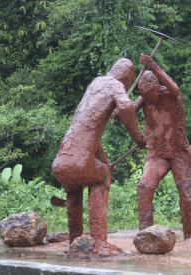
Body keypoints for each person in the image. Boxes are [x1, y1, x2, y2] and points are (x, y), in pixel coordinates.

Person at [52, 58, 145, 256]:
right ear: (128, 75)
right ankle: (99, 242)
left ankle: (75, 242)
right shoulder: (115, 85)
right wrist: (138, 137)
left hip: (61, 162)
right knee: (102, 178)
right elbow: (127, 107)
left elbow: (89, 134)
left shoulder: (96, 83)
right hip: (79, 161)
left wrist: (104, 161)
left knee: (75, 190)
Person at [135, 53, 191, 241]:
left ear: (158, 88)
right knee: (144, 186)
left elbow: (175, 88)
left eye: (151, 94)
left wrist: (152, 65)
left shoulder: (170, 95)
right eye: (144, 96)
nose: (149, 99)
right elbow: (129, 111)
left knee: (185, 191)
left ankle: (190, 237)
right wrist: (121, 113)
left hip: (178, 152)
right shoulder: (145, 98)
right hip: (157, 153)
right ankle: (145, 235)